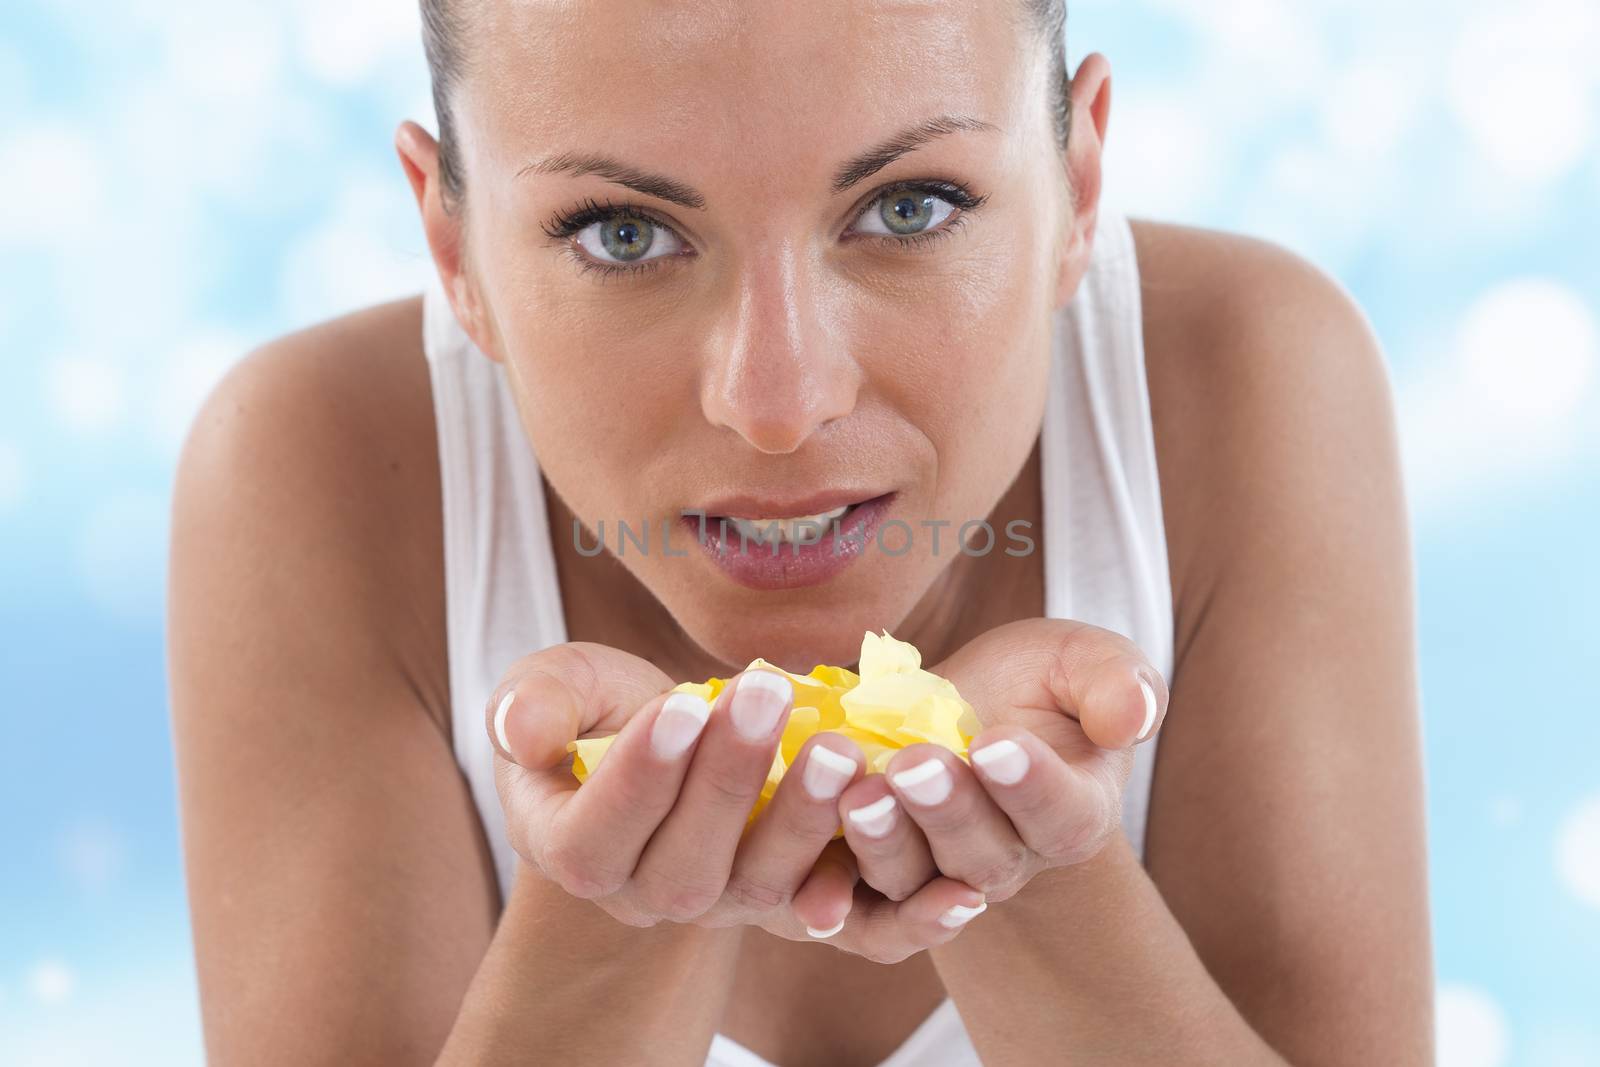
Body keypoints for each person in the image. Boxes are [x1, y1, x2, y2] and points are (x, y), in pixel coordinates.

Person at [166, 1, 1433, 1063]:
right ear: (454, 246)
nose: (777, 402)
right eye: (626, 233)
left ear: (1078, 183)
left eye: (910, 207)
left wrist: (1038, 868)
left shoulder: (1246, 372)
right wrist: (612, 906)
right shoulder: (315, 462)